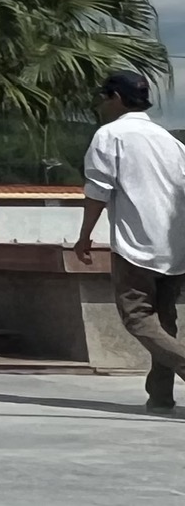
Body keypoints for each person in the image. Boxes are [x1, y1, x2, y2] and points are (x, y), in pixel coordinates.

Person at [74, 67, 185, 408]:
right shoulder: (170, 141)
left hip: (136, 246)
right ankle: (160, 396)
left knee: (137, 317)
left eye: (104, 98)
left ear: (117, 98)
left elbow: (98, 191)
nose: (101, 105)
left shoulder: (110, 136)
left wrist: (84, 237)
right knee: (164, 321)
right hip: (175, 247)